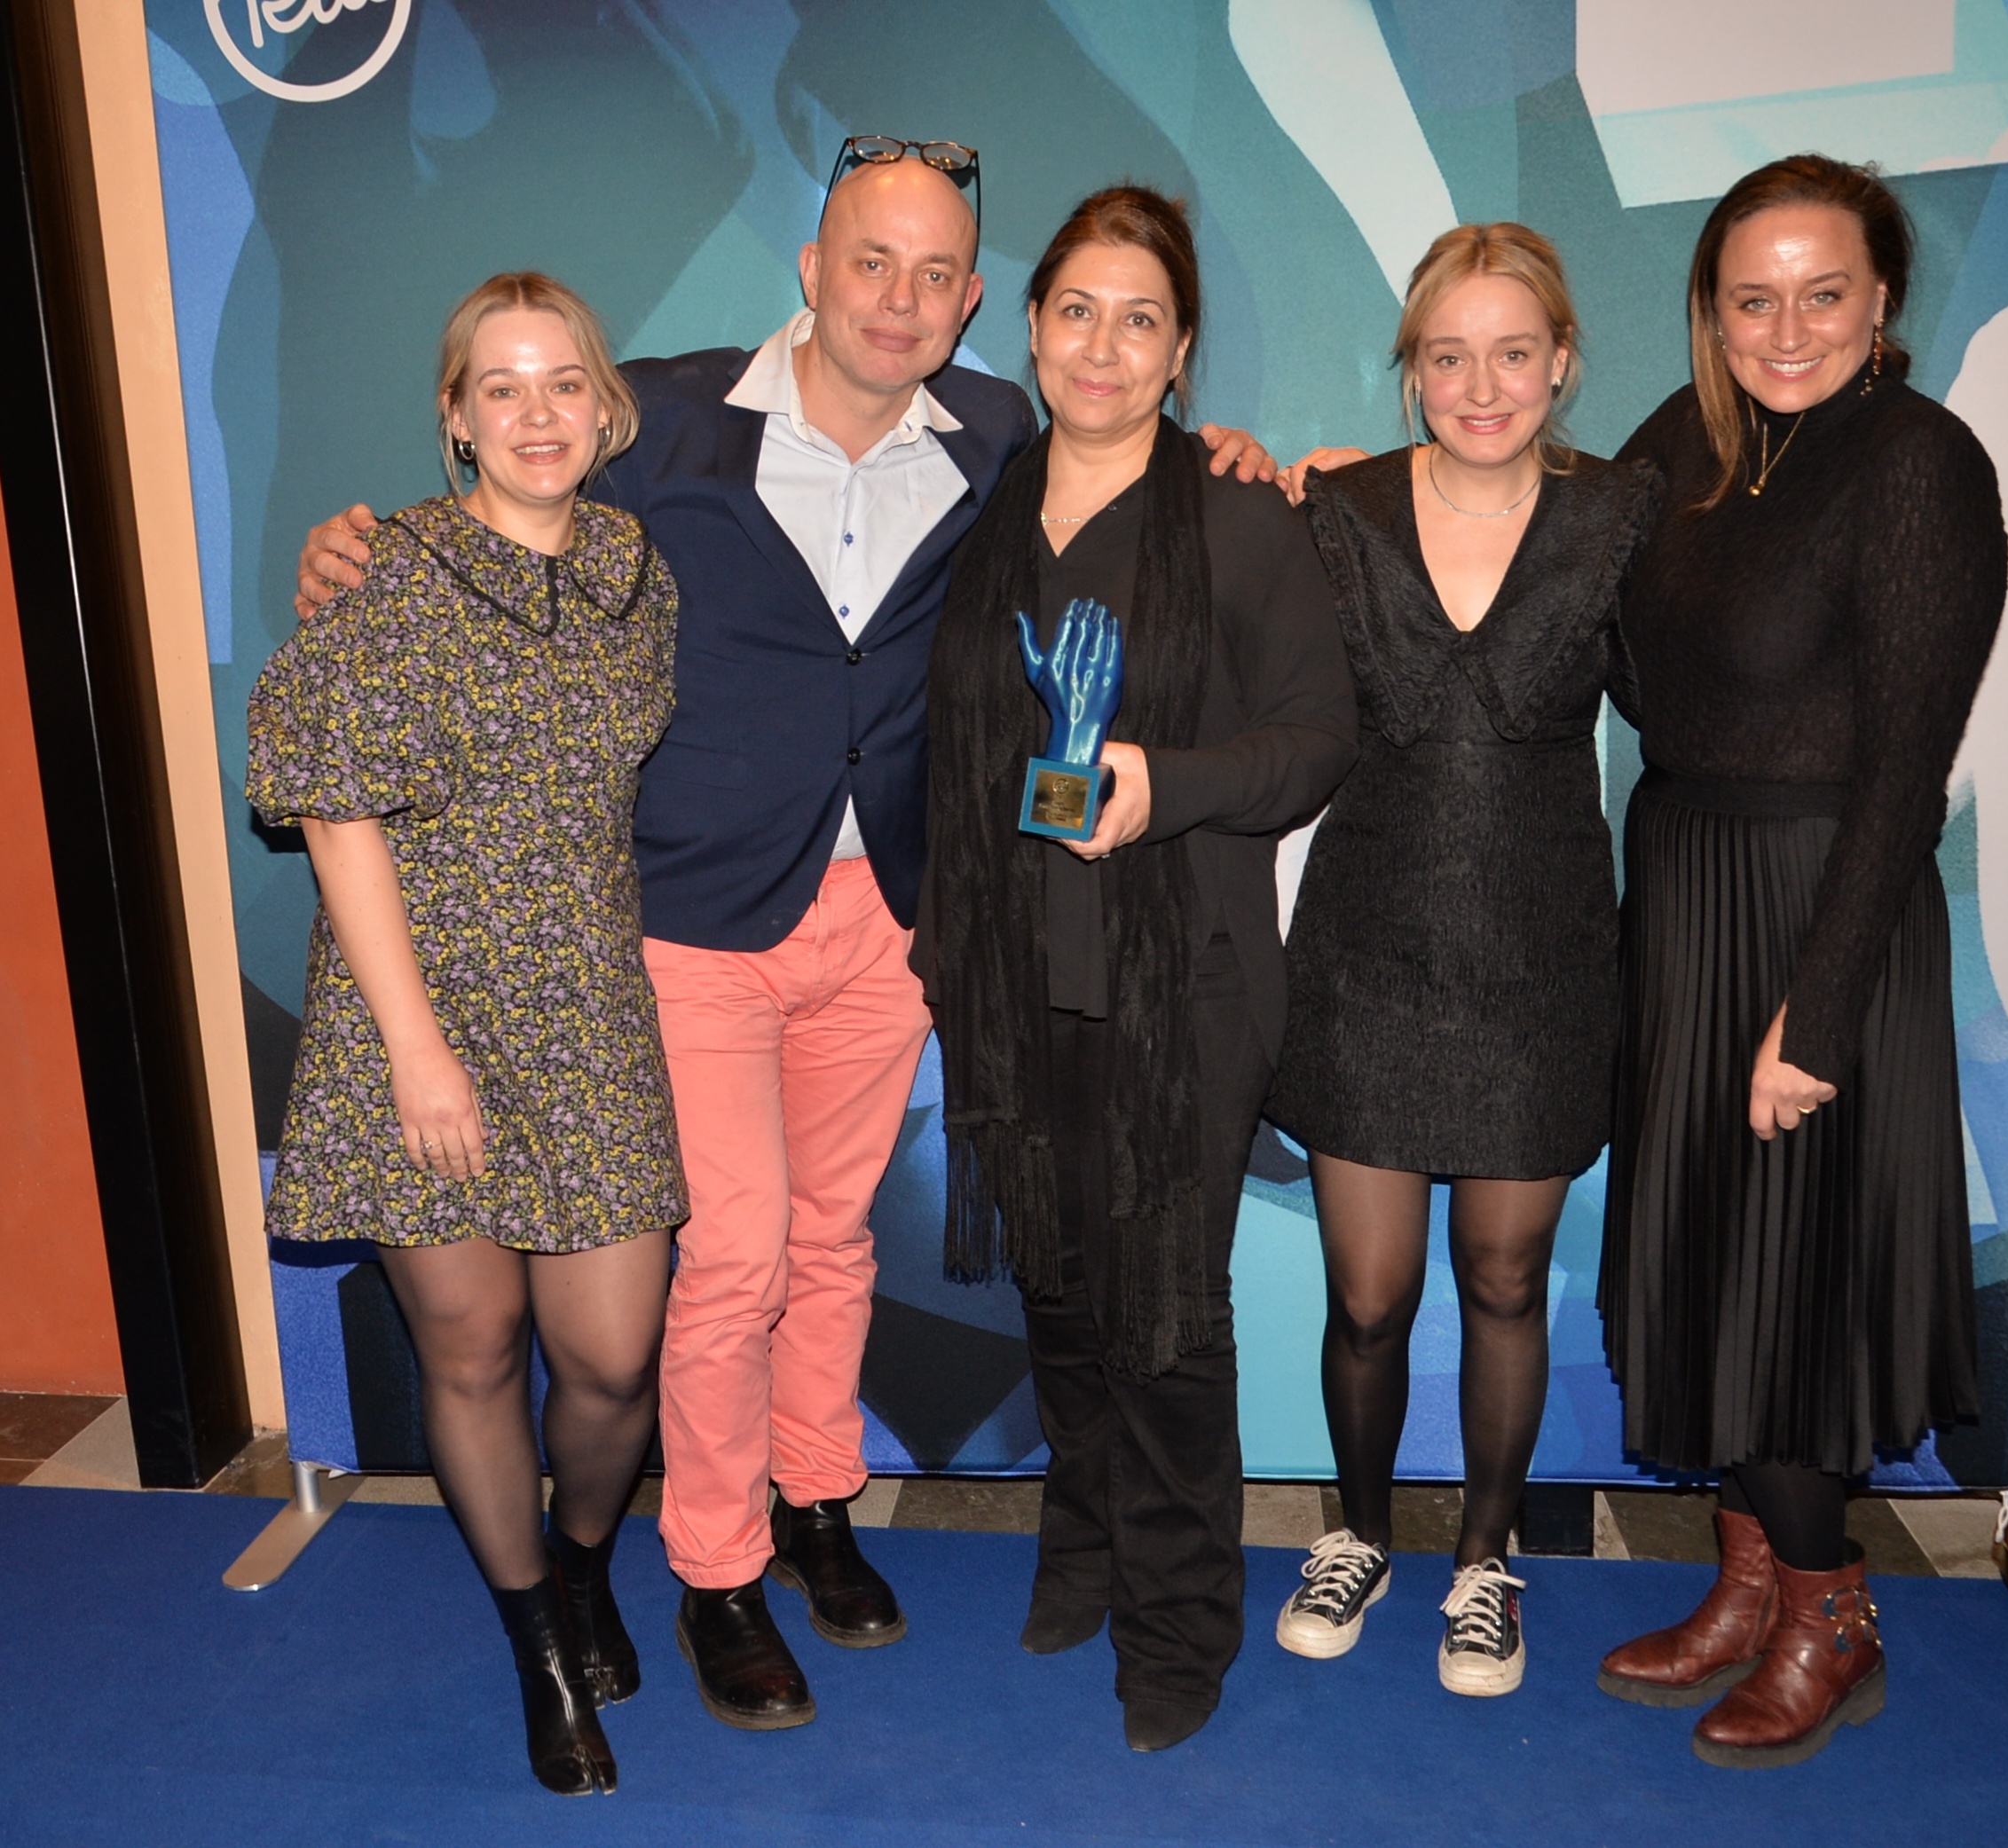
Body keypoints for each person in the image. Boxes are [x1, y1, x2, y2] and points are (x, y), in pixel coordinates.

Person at [294, 141, 1274, 1734]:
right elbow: (505, 503)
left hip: (888, 915)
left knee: (832, 1239)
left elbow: (1137, 457)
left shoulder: (1005, 435)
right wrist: (358, 548)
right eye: (868, 262)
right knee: (731, 1255)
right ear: (811, 270)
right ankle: (718, 1569)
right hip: (696, 916)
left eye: (934, 274)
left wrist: (1236, 452)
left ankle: (817, 1499)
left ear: (972, 301)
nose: (898, 299)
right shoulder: (662, 420)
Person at [918, 185, 1358, 1753]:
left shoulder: (1238, 518)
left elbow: (1316, 741)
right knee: (1055, 1280)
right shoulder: (976, 500)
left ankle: (1180, 1619)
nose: (1103, 348)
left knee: (1162, 1306)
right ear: (1029, 329)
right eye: (1076, 312)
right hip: (1007, 967)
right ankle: (1085, 1544)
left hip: (1187, 979)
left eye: (1141, 320)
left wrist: (1166, 782)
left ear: (1181, 354)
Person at [1593, 154, 2004, 1767]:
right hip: (1687, 895)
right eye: (1748, 299)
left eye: (1820, 294)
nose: (1783, 331)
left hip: (1823, 913)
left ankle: (1829, 1612)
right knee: (1711, 1264)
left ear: (1879, 297)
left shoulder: (1917, 463)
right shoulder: (1683, 440)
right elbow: (1551, 547)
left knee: (1788, 1285)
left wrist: (1813, 1016)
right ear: (1709, 307)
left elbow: (1906, 773)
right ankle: (1750, 1583)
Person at [248, 273, 682, 1797]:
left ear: (606, 408)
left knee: (612, 1361)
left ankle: (581, 1564)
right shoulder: (392, 570)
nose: (535, 413)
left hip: (587, 1007)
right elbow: (332, 806)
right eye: (501, 387)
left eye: (563, 382)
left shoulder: (636, 569)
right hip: (416, 1014)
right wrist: (418, 1052)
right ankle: (537, 1647)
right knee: (476, 1346)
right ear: (455, 417)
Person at [1264, 225, 1659, 1695]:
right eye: (1448, 356)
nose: (1480, 386)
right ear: (1410, 370)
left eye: (1511, 353)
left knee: (1504, 1278)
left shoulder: (1624, 514)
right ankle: (1358, 1535)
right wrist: (1228, 458)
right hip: (1365, 957)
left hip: (1540, 961)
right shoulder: (1336, 509)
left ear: (1561, 362)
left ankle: (1484, 1565)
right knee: (1366, 1295)